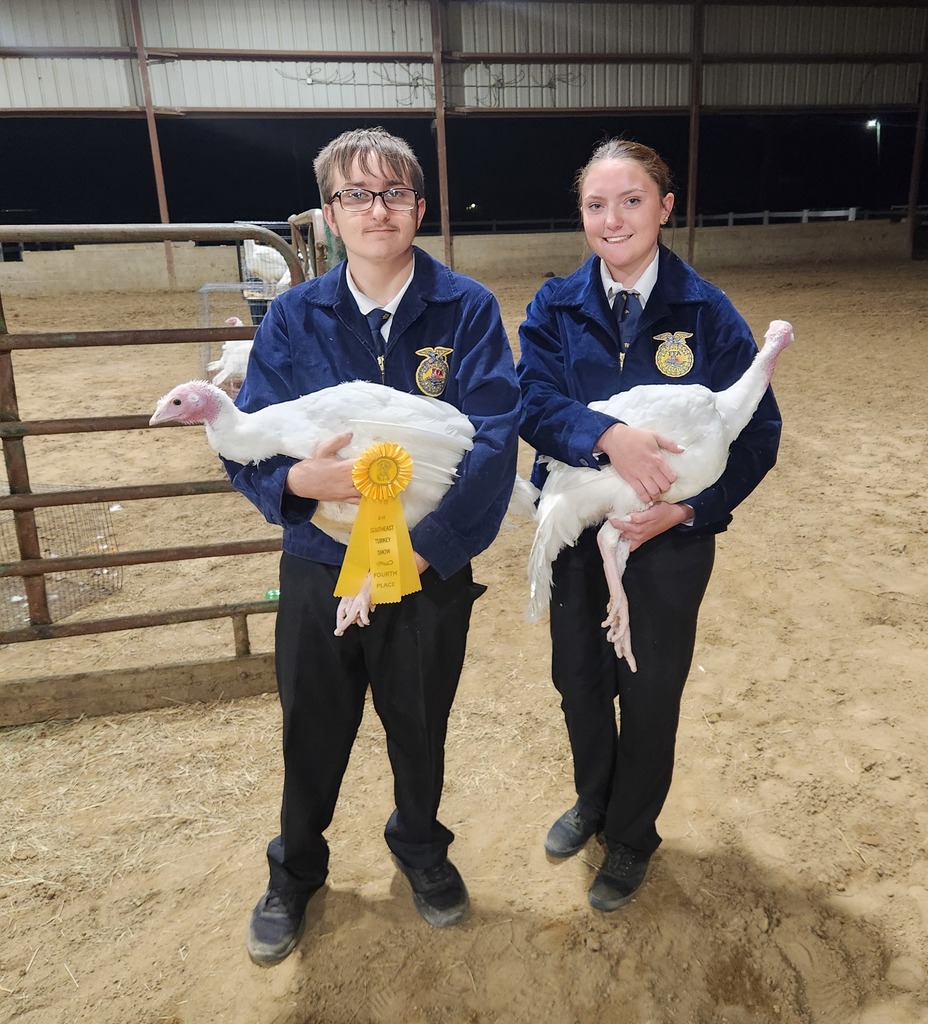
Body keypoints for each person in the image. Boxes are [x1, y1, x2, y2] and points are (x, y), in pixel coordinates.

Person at [226, 127, 521, 964]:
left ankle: (421, 845)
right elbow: (246, 438)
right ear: (330, 215)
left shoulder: (465, 310)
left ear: (419, 208)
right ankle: (295, 870)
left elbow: (495, 439)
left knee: (420, 722)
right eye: (356, 194)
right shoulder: (293, 317)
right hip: (321, 564)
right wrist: (296, 483)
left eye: (393, 192)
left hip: (427, 572)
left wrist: (424, 550)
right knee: (311, 725)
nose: (377, 209)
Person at [516, 139, 782, 912]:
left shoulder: (706, 312)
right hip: (581, 531)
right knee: (578, 681)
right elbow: (532, 400)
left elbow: (758, 431)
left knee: (650, 688)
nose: (613, 219)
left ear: (665, 207)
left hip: (669, 544)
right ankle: (593, 802)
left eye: (631, 201)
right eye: (596, 204)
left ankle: (632, 834)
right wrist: (607, 436)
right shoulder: (556, 306)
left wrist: (689, 510)